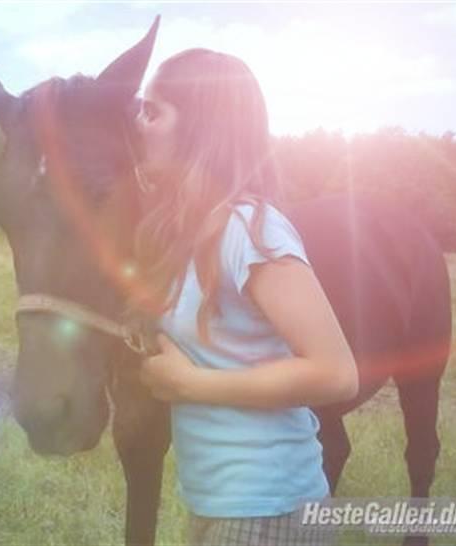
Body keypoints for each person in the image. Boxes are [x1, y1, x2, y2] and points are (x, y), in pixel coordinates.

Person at [130, 48, 359, 546]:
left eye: (152, 110)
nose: (139, 125)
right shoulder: (189, 234)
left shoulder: (250, 230)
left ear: (200, 126)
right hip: (221, 506)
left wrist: (191, 385)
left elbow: (336, 372)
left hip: (271, 510)